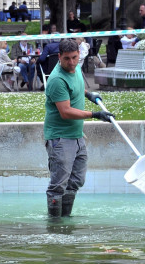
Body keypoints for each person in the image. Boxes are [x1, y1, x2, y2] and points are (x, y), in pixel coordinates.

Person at [43, 37, 115, 218]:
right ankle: (55, 226)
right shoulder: (57, 79)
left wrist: (89, 94)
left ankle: (66, 219)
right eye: (67, 58)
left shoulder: (75, 69)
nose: (71, 62)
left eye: (74, 57)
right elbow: (65, 112)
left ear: (78, 55)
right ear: (59, 57)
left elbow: (75, 88)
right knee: (58, 185)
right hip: (60, 138)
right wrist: (95, 115)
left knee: (76, 180)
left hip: (76, 135)